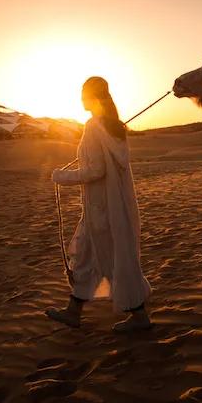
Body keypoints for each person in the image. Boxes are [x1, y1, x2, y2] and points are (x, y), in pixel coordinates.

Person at [46, 76, 152, 332]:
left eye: (84, 93)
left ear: (93, 96)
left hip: (101, 209)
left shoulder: (95, 126)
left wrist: (63, 177)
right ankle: (74, 312)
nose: (81, 98)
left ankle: (139, 317)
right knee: (86, 256)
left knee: (113, 259)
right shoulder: (112, 126)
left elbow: (96, 170)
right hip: (106, 207)